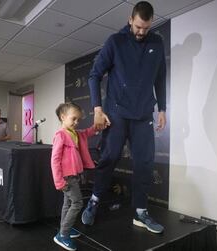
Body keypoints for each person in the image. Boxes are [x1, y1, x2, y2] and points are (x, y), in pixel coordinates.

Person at [81, 1, 167, 234]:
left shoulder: (156, 42)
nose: (141, 32)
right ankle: (95, 200)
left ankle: (140, 212)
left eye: (146, 28)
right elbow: (94, 76)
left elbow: (160, 78)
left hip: (143, 115)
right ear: (130, 20)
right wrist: (97, 108)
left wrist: (162, 109)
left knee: (145, 163)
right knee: (109, 156)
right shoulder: (115, 42)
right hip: (117, 113)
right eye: (138, 26)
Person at [51, 103, 98, 251]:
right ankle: (62, 235)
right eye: (74, 119)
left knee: (68, 203)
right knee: (77, 203)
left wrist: (98, 125)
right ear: (63, 117)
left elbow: (88, 132)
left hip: (74, 175)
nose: (77, 122)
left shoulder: (75, 133)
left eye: (78, 119)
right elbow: (55, 159)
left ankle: (66, 228)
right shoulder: (61, 135)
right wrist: (59, 181)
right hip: (66, 177)